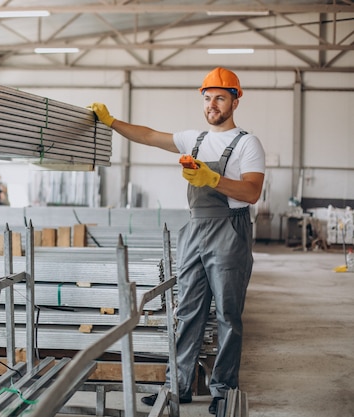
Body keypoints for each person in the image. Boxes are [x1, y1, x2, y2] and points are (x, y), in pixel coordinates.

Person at [90, 67, 265, 415]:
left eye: (219, 97)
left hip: (229, 230)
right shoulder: (193, 140)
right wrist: (111, 122)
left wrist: (212, 177)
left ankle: (223, 389)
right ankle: (178, 385)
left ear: (235, 100)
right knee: (187, 312)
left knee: (229, 314)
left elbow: (252, 191)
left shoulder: (247, 143)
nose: (212, 104)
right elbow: (148, 135)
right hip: (195, 230)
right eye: (207, 98)